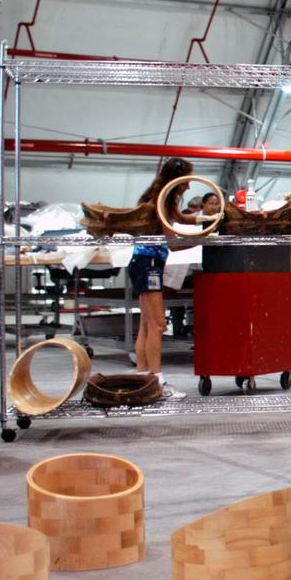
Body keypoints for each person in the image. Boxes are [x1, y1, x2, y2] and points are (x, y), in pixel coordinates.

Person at [128, 157, 198, 399]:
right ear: (176, 180)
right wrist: (203, 240)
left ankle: (143, 379)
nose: (188, 186)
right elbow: (173, 242)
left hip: (144, 264)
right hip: (148, 266)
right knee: (158, 325)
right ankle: (158, 383)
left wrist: (207, 218)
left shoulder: (159, 198)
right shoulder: (160, 202)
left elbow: (182, 219)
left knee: (147, 326)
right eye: (186, 181)